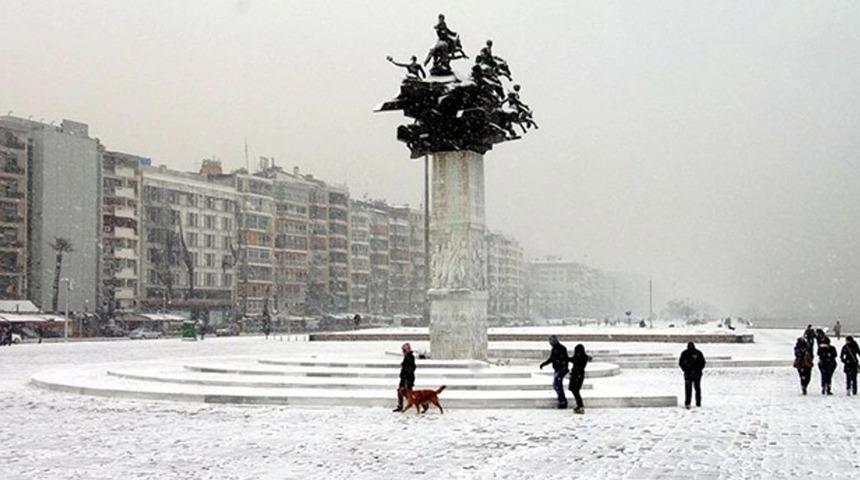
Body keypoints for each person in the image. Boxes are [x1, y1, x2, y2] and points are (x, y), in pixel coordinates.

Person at [539, 335, 569, 409]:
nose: (550, 343)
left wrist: (565, 367)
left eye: (551, 341)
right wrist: (544, 364)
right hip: (558, 369)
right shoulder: (554, 349)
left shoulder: (562, 348)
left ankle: (563, 401)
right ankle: (561, 400)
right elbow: (551, 359)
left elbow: (565, 359)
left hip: (561, 369)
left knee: (557, 384)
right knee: (556, 385)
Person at [679, 342, 706, 409]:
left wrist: (686, 370)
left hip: (690, 373)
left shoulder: (685, 353)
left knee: (690, 389)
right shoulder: (698, 353)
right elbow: (702, 363)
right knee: (696, 388)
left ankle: (689, 403)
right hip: (694, 373)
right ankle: (697, 403)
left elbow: (681, 363)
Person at [568, 344, 592, 414]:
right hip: (579, 375)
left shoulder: (579, 357)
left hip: (576, 375)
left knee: (575, 391)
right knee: (576, 391)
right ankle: (579, 405)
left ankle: (580, 406)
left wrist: (565, 358)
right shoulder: (584, 357)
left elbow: (572, 360)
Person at [394, 342, 416, 412]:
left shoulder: (410, 357)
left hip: (407, 378)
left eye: (403, 350)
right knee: (402, 392)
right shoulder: (408, 356)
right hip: (404, 378)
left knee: (407, 393)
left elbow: (411, 368)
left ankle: (416, 403)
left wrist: (404, 368)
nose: (403, 352)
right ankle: (401, 406)